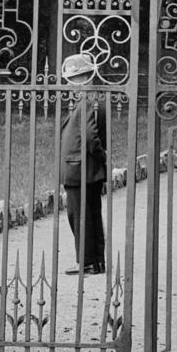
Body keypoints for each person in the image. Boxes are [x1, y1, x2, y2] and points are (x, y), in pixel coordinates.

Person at [57, 52, 107, 275]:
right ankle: (96, 262)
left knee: (80, 217)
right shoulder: (92, 99)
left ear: (83, 78)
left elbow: (90, 137)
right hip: (85, 169)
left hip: (81, 169)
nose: (70, 84)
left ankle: (87, 262)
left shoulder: (87, 101)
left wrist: (100, 157)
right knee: (91, 215)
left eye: (72, 79)